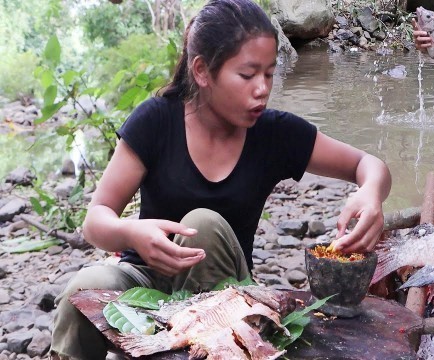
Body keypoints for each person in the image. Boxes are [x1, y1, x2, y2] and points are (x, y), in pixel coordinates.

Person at [50, 0, 392, 358]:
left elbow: (368, 164)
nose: (262, 88)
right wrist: (131, 232)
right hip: (146, 283)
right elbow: (96, 219)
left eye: (270, 73)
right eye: (247, 75)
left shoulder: (274, 133)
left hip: (226, 296)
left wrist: (370, 193)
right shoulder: (156, 121)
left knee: (203, 225)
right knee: (85, 288)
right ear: (202, 71)